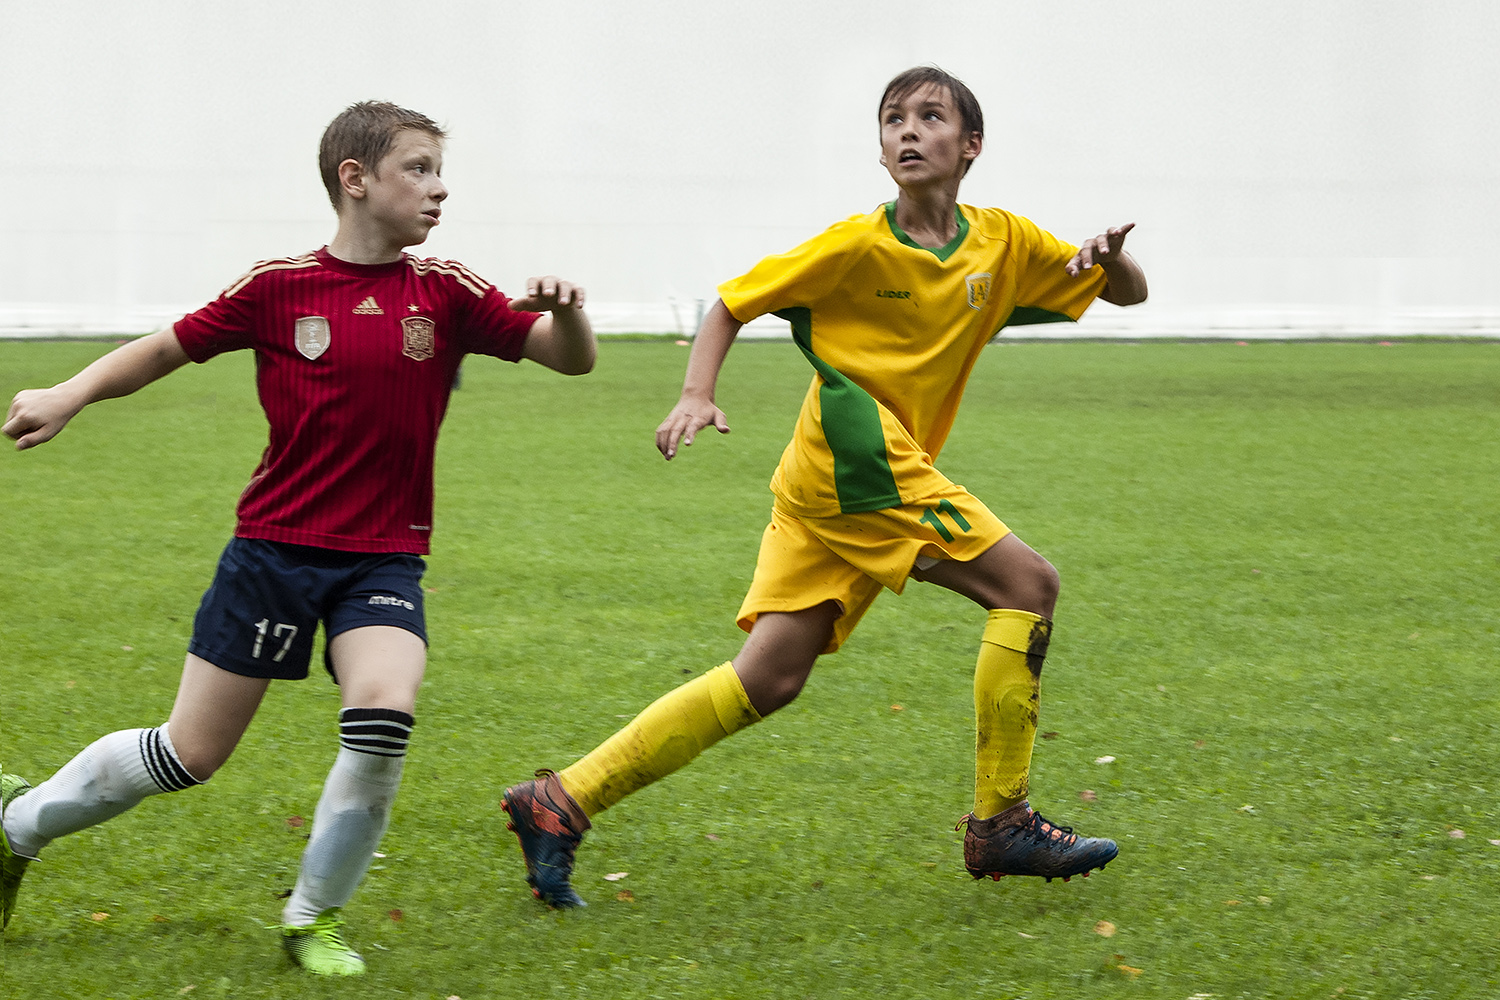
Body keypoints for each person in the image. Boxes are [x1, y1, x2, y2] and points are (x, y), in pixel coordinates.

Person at [500, 66, 1147, 908]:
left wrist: (1115, 260)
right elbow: (733, 302)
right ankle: (1002, 822)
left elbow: (1123, 294)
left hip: (825, 484)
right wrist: (697, 392)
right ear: (881, 150)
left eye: (929, 116)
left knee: (767, 678)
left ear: (971, 146)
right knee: (1029, 585)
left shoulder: (1005, 242)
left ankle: (560, 800)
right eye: (892, 120)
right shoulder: (853, 244)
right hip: (855, 465)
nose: (907, 131)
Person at [0, 101, 595, 974]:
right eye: (419, 168)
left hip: (382, 561)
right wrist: (69, 393)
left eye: (439, 170)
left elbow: (568, 357)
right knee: (188, 754)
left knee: (385, 711)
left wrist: (568, 312)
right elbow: (164, 350)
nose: (440, 188)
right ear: (355, 180)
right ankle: (17, 825)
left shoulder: (447, 291)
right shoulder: (278, 286)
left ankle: (313, 918)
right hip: (272, 555)